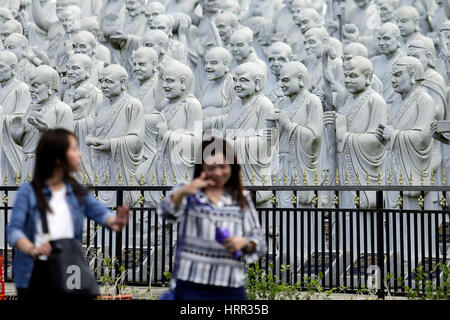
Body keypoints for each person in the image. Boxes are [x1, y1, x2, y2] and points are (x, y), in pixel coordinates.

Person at [7, 128, 130, 301]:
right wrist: (32, 249)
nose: (80, 154)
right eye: (73, 149)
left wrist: (115, 222)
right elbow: (14, 231)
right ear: (57, 158)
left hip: (69, 272)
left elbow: (101, 213)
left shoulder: (76, 192)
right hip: (33, 275)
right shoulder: (29, 192)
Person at [158, 137, 266, 300]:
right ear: (202, 168)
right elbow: (167, 212)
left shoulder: (241, 199)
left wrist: (243, 243)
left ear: (232, 167)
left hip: (230, 286)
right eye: (211, 167)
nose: (217, 173)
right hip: (191, 284)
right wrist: (182, 192)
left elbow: (259, 242)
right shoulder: (189, 193)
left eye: (223, 167)